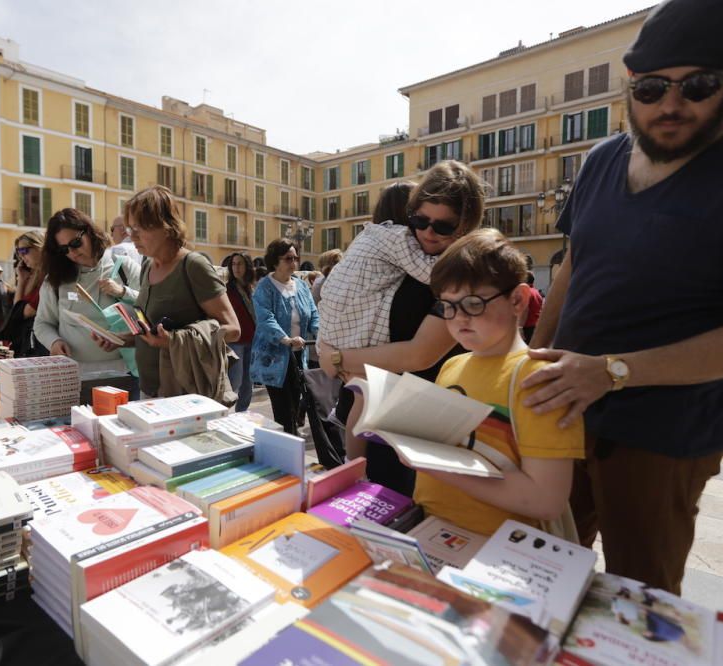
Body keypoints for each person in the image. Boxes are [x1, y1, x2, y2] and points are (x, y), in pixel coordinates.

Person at [523, 0, 723, 594]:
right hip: (561, 414)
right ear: (630, 81)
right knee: (541, 575)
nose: (672, 105)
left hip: (665, 436)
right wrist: (531, 355)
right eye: (652, 88)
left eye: (700, 84)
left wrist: (611, 372)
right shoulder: (601, 159)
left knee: (640, 598)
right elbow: (574, 269)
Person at [319, 165, 486, 493]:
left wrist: (338, 358)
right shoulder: (406, 260)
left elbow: (419, 354)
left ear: (465, 225)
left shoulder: (458, 276)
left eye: (443, 225)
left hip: (424, 425)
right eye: (420, 220)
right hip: (383, 422)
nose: (427, 231)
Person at [409, 229, 584, 535]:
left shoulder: (537, 377)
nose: (458, 319)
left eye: (473, 304)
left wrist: (437, 466)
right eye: (448, 306)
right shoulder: (452, 365)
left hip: (497, 552)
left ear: (517, 300)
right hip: (431, 531)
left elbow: (546, 499)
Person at [110, 187, 239, 399]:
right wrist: (122, 339)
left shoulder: (194, 265)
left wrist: (173, 340)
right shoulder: (148, 266)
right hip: (150, 390)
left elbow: (233, 330)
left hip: (186, 393)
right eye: (130, 229)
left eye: (139, 228)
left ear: (166, 226)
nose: (132, 237)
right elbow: (151, 332)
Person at [33, 208, 141, 378]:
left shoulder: (124, 267)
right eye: (64, 249)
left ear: (90, 232)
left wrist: (123, 292)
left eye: (75, 243)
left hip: (125, 372)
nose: (72, 252)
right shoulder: (55, 280)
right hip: (74, 375)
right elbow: (42, 323)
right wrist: (54, 342)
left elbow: (149, 309)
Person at [250, 239, 320, 435]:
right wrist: (286, 339)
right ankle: (287, 450)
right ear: (275, 261)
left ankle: (291, 443)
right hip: (274, 357)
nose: (294, 263)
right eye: (288, 258)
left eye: (295, 258)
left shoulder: (301, 285)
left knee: (296, 405)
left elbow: (313, 314)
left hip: (298, 354)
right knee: (283, 410)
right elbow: (265, 319)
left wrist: (321, 333)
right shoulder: (265, 286)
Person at [1, 230, 48, 357]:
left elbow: (25, 312)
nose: (21, 256)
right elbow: (18, 308)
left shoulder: (49, 277)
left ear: (40, 247)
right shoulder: (33, 277)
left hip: (43, 343)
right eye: (18, 252)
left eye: (24, 251)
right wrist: (21, 280)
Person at [225, 252, 257, 412]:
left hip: (252, 340)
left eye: (240, 264)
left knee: (248, 383)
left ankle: (242, 413)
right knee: (234, 381)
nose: (236, 267)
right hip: (234, 342)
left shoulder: (252, 288)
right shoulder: (227, 290)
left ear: (247, 266)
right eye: (234, 264)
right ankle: (227, 415)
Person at [522, 272, 544, 344]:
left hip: (527, 327)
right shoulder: (537, 292)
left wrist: (520, 328)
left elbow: (525, 310)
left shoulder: (526, 292)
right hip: (535, 326)